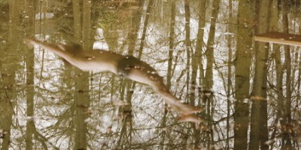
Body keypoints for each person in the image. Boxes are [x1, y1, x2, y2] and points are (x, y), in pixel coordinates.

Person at [26, 37, 203, 122]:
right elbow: (58, 50)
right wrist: (37, 42)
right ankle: (184, 108)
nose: (62, 45)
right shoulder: (76, 60)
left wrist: (54, 43)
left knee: (159, 82)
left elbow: (62, 46)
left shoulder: (83, 52)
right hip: (124, 68)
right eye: (61, 47)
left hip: (128, 61)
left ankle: (183, 112)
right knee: (157, 86)